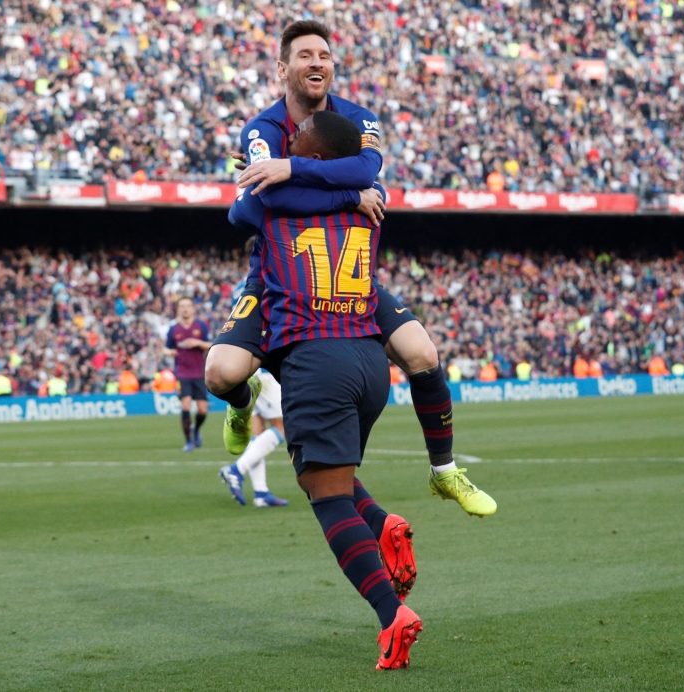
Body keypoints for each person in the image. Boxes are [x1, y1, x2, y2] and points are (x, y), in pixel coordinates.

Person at [205, 19, 493, 519]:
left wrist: (291, 170)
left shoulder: (359, 118)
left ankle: (445, 471)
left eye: (324, 55)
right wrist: (345, 197)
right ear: (282, 68)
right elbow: (253, 208)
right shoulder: (262, 129)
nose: (317, 62)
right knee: (219, 373)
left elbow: (366, 170)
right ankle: (242, 397)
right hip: (278, 279)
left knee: (422, 352)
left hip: (347, 274)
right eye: (305, 55)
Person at [229, 108, 422, 670]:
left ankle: (392, 615)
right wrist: (344, 192)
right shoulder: (369, 201)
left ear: (310, 158)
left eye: (302, 147)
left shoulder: (275, 200)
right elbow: (362, 169)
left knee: (329, 498)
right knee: (326, 475)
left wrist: (279, 172)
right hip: (369, 357)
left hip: (317, 356)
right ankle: (384, 522)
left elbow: (239, 210)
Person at [218, 367, 290, 508]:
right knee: (282, 426)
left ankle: (261, 492)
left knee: (257, 432)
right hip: (263, 374)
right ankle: (236, 470)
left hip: (248, 374)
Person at [163, 297, 212, 452]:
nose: (185, 309)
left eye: (188, 306)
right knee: (185, 405)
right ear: (178, 309)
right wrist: (169, 352)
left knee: (202, 410)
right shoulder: (174, 329)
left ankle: (195, 429)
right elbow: (165, 348)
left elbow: (211, 345)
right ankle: (188, 441)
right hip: (182, 372)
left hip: (199, 372)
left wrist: (197, 343)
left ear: (193, 309)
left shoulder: (201, 326)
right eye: (182, 306)